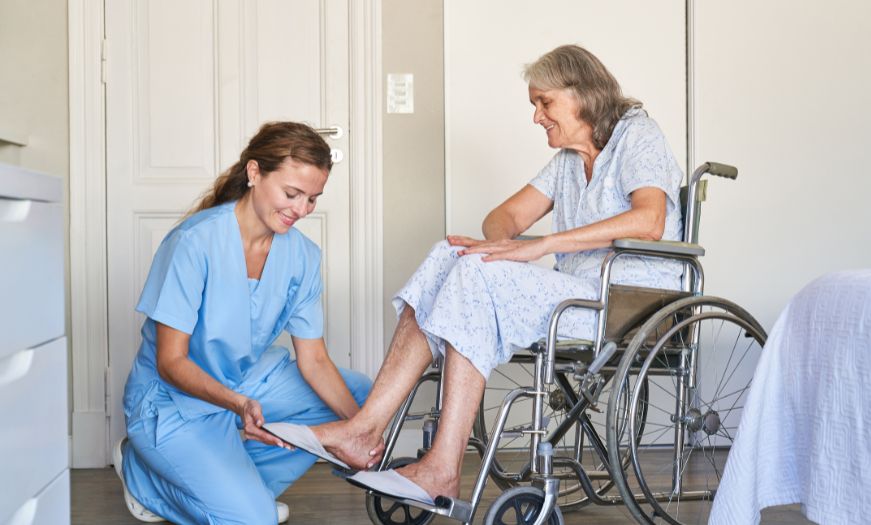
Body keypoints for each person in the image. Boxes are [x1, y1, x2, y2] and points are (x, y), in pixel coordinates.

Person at [312, 44, 684, 500]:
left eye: (544, 102)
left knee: (476, 274)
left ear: (582, 94)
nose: (536, 116)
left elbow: (650, 221)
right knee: (448, 256)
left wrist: (543, 245)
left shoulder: (638, 136)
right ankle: (366, 429)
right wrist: (503, 243)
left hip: (629, 300)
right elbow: (501, 217)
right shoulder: (569, 159)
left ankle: (443, 468)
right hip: (579, 293)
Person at [114, 122, 373, 524]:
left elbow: (315, 361)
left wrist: (363, 431)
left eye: (312, 199)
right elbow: (170, 362)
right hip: (171, 401)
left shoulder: (303, 256)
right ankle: (143, 476)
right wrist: (237, 404)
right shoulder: (194, 243)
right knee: (254, 519)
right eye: (292, 194)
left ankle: (238, 487)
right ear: (254, 173)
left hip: (245, 382)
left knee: (360, 397)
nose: (301, 210)